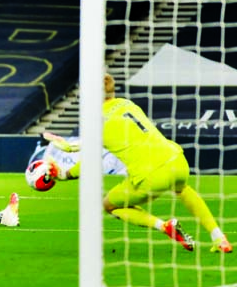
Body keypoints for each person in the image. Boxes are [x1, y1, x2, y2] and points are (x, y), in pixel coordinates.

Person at [44, 73, 232, 253]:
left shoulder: (97, 122)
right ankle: (219, 238)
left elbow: (82, 156)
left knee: (109, 205)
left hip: (150, 175)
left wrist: (62, 172)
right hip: (176, 160)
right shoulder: (127, 104)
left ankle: (164, 226)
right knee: (183, 189)